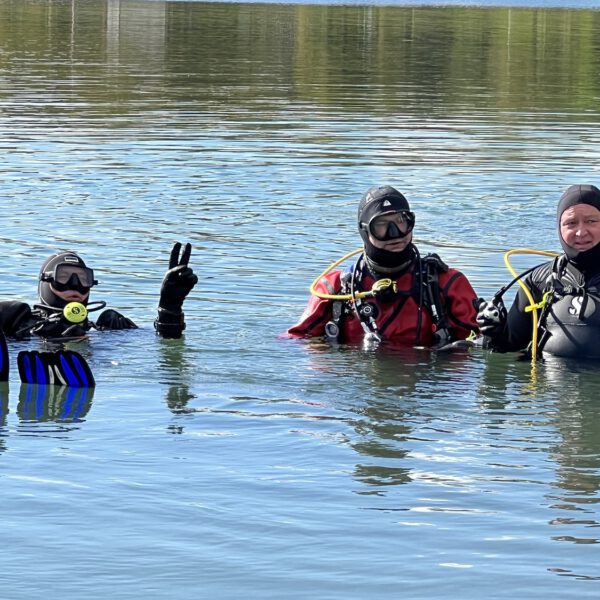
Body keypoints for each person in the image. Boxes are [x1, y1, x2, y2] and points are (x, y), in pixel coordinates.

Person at [288, 185, 479, 348]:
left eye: (401, 221)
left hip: (428, 378)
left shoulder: (446, 283)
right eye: (381, 225)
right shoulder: (335, 289)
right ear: (365, 231)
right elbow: (295, 342)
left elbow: (478, 341)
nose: (395, 234)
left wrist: (491, 332)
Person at [476, 184, 600, 359]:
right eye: (571, 223)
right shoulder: (539, 280)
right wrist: (494, 331)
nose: (581, 232)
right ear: (559, 228)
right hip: (547, 375)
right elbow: (508, 346)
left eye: (591, 221)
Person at [0, 242, 197, 340]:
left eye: (83, 279)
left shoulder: (106, 328)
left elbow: (163, 346)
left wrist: (170, 307)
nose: (75, 285)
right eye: (64, 277)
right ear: (46, 281)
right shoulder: (16, 318)